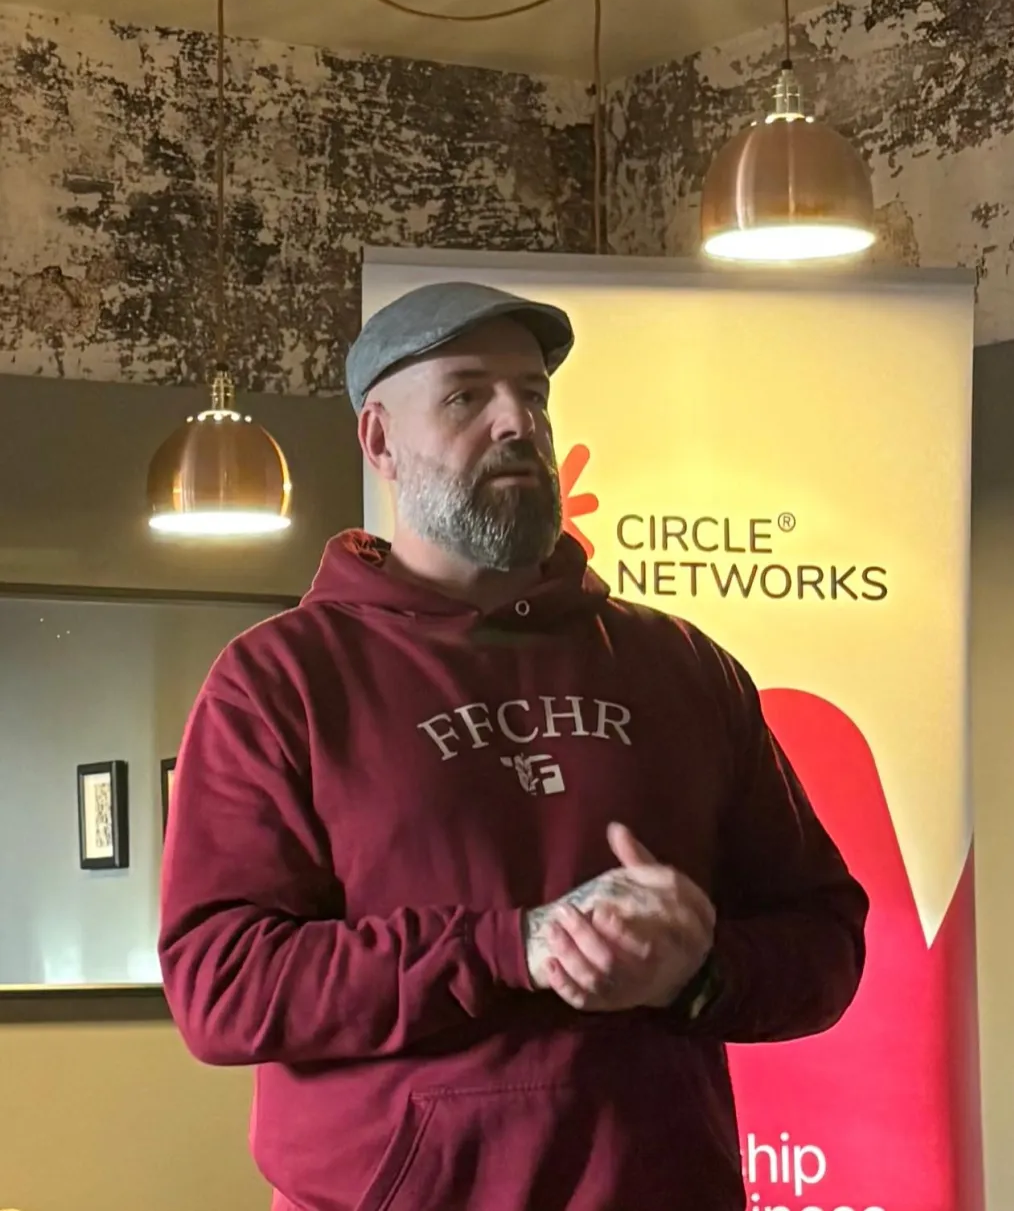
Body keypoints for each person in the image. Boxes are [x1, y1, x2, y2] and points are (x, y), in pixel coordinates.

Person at [159, 279, 869, 1211]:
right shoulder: (281, 681)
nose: (517, 423)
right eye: (467, 395)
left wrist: (697, 973)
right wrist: (512, 945)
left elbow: (824, 940)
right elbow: (222, 985)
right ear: (379, 440)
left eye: (532, 394)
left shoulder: (683, 667)